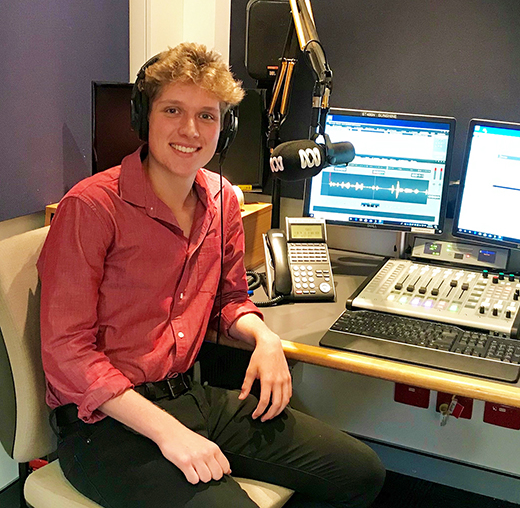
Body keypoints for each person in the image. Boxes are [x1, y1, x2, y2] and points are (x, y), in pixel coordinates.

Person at [37, 42, 385, 508]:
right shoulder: (92, 208)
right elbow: (67, 354)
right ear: (143, 117)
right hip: (106, 427)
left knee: (360, 473)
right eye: (173, 110)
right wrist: (168, 434)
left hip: (191, 396)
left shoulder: (223, 201)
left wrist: (264, 338)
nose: (189, 130)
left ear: (224, 129)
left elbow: (230, 299)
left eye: (207, 115)